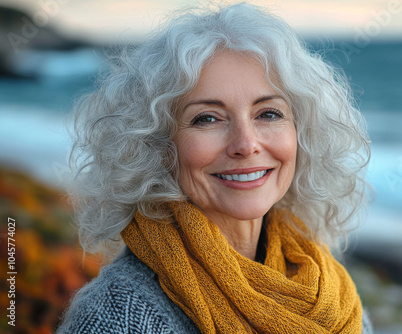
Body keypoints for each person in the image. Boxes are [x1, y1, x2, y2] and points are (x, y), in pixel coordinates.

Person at [57, 2, 372, 333]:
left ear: (301, 132)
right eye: (207, 118)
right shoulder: (117, 316)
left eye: (268, 113)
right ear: (159, 146)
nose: (246, 144)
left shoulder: (330, 292)